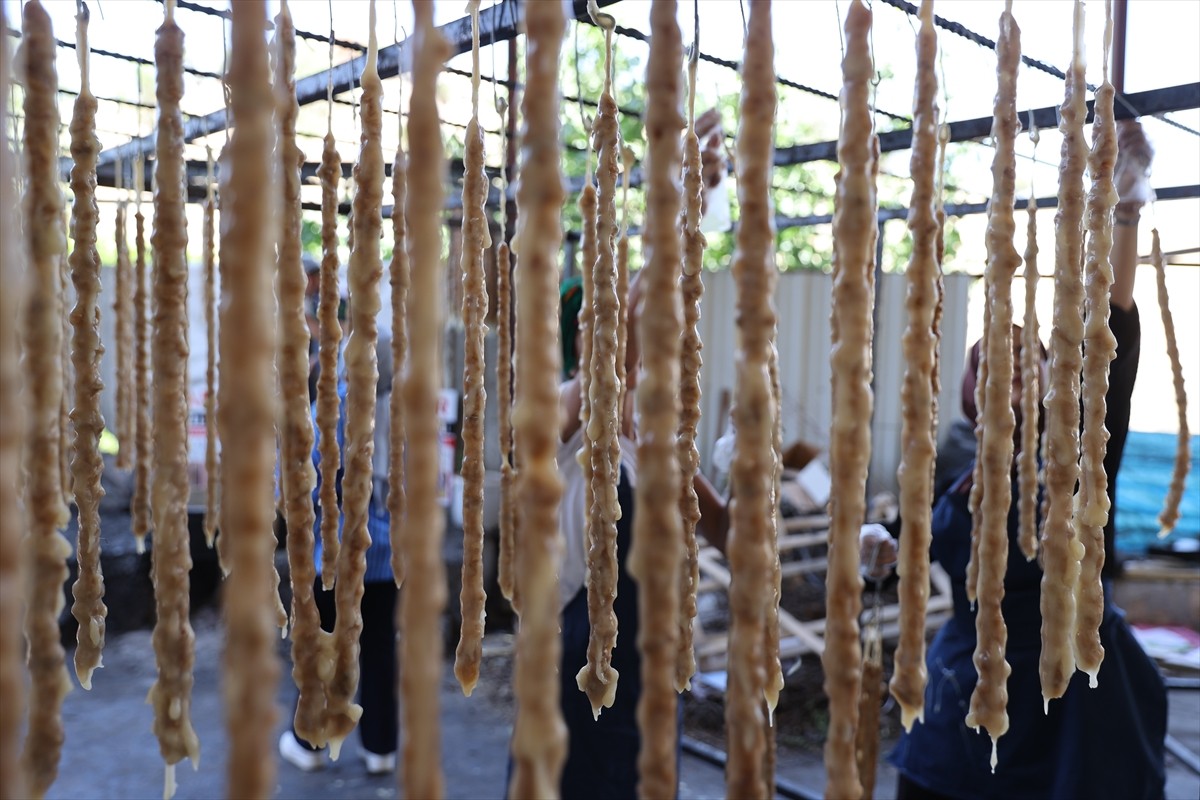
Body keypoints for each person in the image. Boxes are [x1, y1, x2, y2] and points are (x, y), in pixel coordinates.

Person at [889, 121, 1166, 799]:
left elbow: (1110, 323)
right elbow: (914, 539)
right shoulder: (955, 479)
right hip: (967, 682)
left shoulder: (1073, 457)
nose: (1006, 379)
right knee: (924, 780)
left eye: (1022, 366)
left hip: (1061, 702)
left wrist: (1124, 208)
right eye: (989, 369)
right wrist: (881, 542)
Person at [279, 333, 399, 776]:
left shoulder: (337, 403)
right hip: (387, 559)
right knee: (380, 650)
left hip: (333, 554)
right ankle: (381, 747)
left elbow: (302, 467)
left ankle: (309, 742)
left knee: (323, 649)